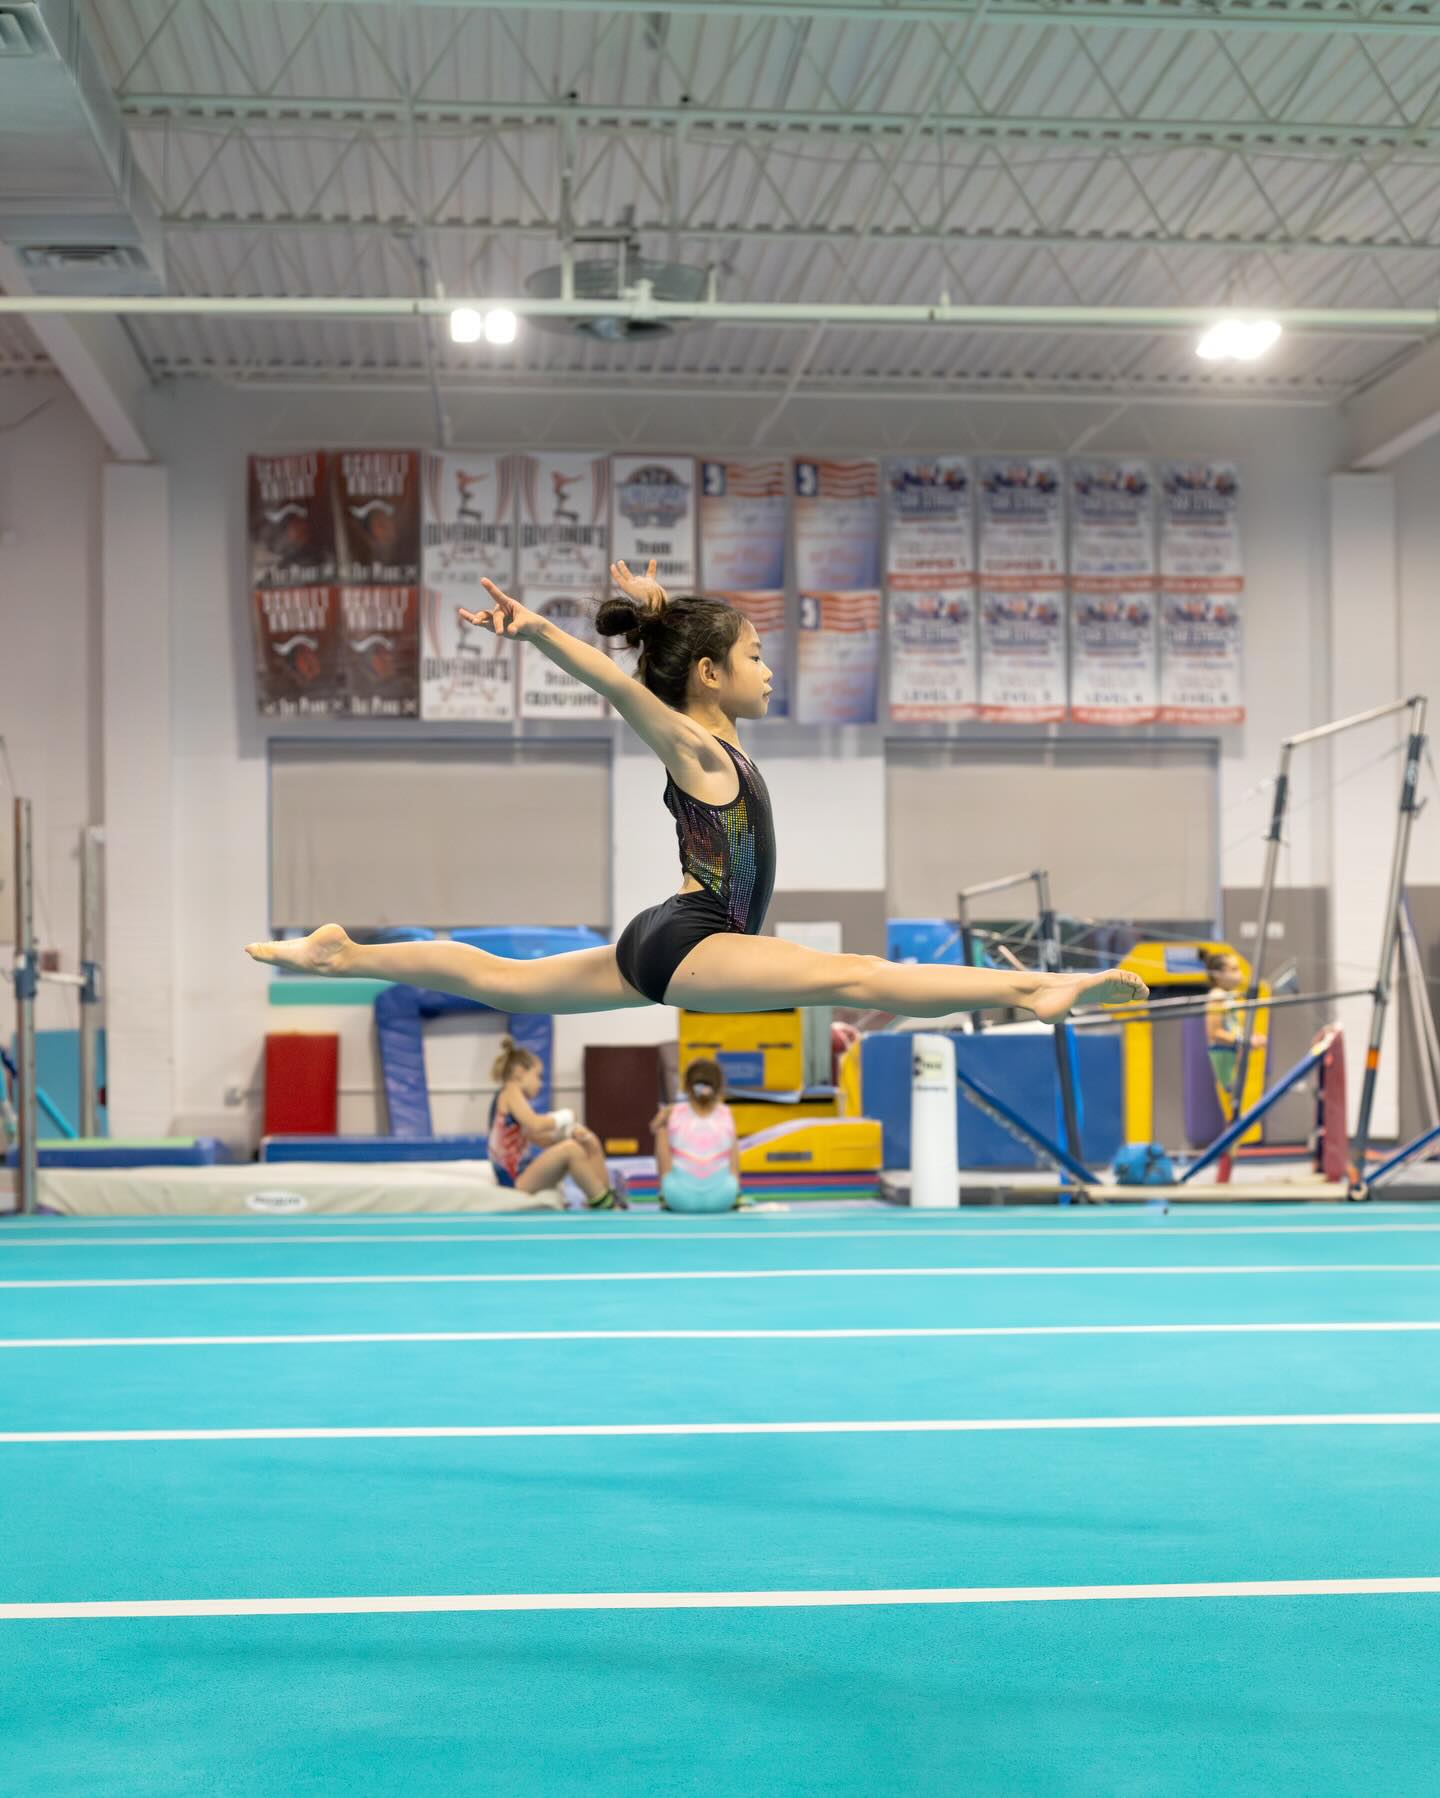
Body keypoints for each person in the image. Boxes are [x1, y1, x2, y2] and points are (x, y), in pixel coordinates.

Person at [245, 559, 1148, 1021]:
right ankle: (1029, 995)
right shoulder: (697, 750)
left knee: (507, 984)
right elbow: (621, 685)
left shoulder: (722, 742)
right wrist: (539, 635)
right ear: (711, 675)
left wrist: (663, 608)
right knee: (853, 974)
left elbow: (666, 662)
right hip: (693, 936)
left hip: (670, 936)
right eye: (754, 656)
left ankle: (343, 954)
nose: (767, 669)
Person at [487, 1036, 625, 1209]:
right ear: (520, 1072)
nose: (540, 1084)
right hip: (515, 1179)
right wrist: (565, 1117)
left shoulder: (515, 1104)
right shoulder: (510, 1090)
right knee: (571, 1150)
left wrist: (569, 1134)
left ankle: (605, 1192)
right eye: (537, 1076)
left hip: (524, 1174)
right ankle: (603, 1202)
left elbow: (540, 1138)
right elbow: (535, 1124)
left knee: (588, 1141)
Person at [651, 1058, 741, 1213]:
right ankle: (736, 1191)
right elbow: (734, 1160)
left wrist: (664, 1115)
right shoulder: (726, 1113)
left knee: (661, 1131)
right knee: (731, 1139)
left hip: (678, 1198)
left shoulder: (672, 1113)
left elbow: (653, 1127)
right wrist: (734, 1188)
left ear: (686, 1086)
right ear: (719, 1087)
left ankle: (664, 1194)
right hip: (724, 1198)